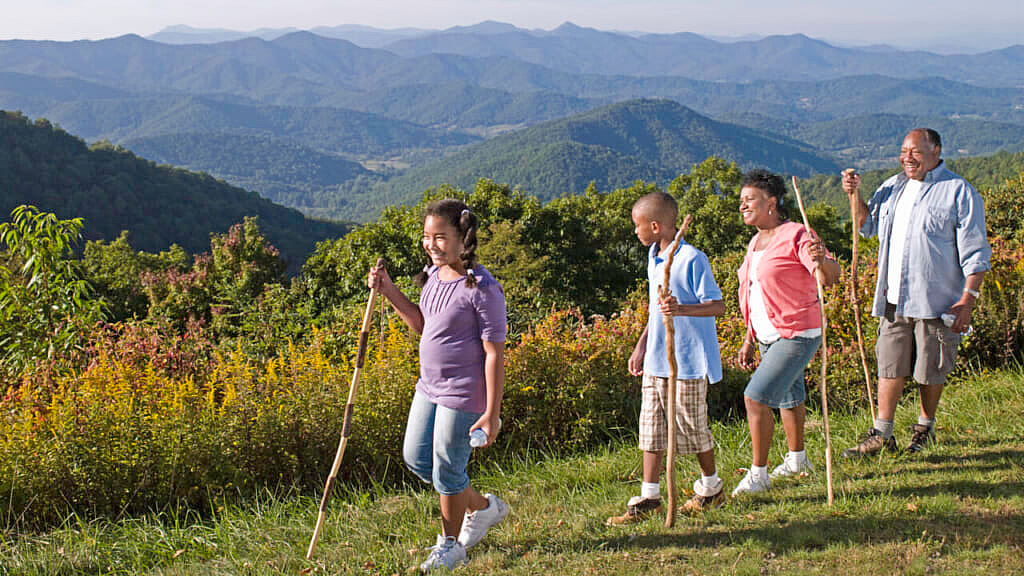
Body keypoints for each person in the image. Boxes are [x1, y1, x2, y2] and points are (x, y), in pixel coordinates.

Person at [368, 199, 509, 573]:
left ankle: (449, 545)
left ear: (464, 239)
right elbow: (422, 324)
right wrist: (388, 290)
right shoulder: (433, 275)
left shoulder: (483, 289)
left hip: (464, 394)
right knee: (417, 459)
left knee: (447, 469)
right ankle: (482, 507)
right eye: (427, 237)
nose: (432, 244)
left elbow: (495, 354)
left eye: (441, 237)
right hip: (429, 387)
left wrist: (492, 413)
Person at [841, 128, 991, 457]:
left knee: (930, 368)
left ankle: (925, 427)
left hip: (938, 301)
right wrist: (853, 194)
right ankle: (882, 434)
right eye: (904, 151)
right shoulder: (893, 187)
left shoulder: (958, 192)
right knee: (889, 364)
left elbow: (976, 254)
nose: (907, 157)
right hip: (894, 297)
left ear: (936, 151)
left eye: (916, 151)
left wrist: (968, 300)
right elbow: (866, 225)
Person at [607, 191, 727, 525]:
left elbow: (716, 305)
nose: (636, 232)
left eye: (638, 225)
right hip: (657, 359)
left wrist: (681, 309)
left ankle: (710, 487)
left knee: (692, 426)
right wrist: (642, 344)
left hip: (688, 362)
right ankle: (650, 496)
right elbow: (655, 310)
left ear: (656, 226)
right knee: (651, 427)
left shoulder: (691, 259)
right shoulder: (653, 256)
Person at [732, 170, 841, 496]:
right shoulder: (755, 242)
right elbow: (754, 293)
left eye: (749, 199)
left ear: (771, 203)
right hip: (767, 335)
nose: (742, 206)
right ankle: (797, 461)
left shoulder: (797, 234)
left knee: (755, 398)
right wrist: (750, 338)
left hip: (797, 332)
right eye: (741, 201)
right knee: (790, 397)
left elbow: (830, 276)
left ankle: (758, 474)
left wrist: (822, 261)